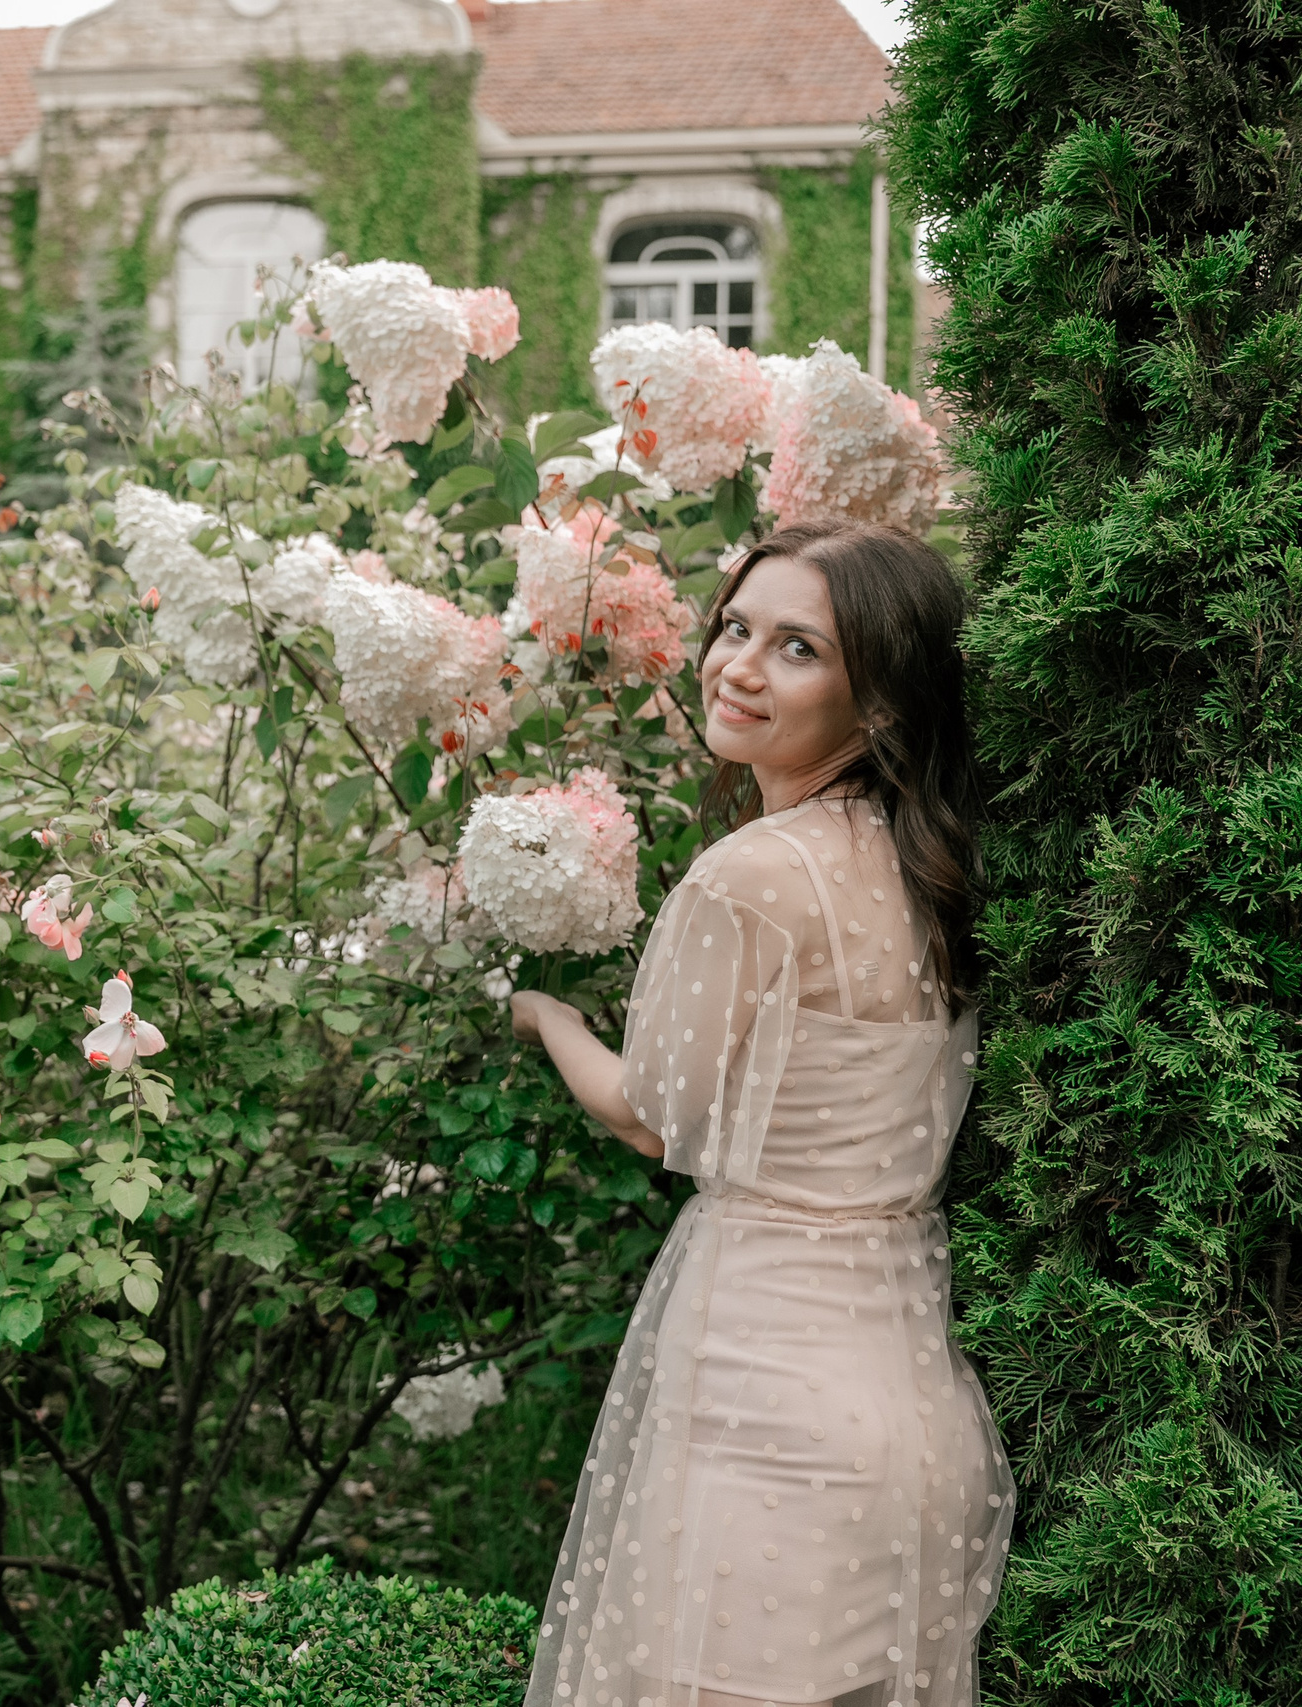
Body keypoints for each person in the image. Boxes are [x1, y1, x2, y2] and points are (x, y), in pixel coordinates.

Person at [512, 521, 1014, 1707]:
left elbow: (647, 1119)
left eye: (796, 649)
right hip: (908, 1395)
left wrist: (546, 1018)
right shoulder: (929, 866)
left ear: (880, 705)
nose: (738, 665)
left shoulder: (751, 875)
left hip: (764, 1399)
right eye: (736, 628)